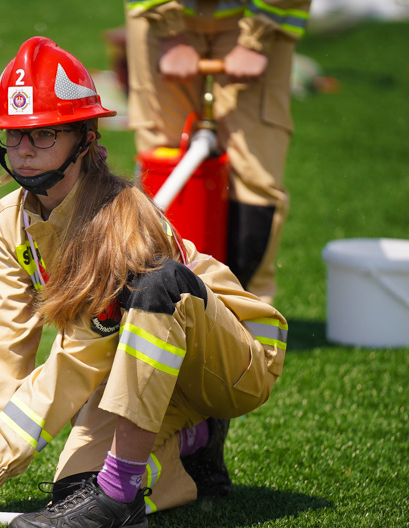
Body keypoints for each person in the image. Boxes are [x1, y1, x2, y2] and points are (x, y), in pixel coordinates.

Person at [0, 36, 287, 528]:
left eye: (44, 135)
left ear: (85, 139)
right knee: (74, 488)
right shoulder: (10, 222)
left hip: (229, 362)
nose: (25, 151)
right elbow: (2, 344)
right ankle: (195, 447)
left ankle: (122, 496)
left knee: (158, 284)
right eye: (13, 135)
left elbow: (79, 359)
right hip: (143, 363)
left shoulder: (121, 228)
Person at [124, 0, 312, 303]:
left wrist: (257, 37)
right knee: (163, 160)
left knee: (254, 171)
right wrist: (168, 29)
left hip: (258, 9)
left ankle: (247, 314)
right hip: (161, 10)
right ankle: (160, 305)